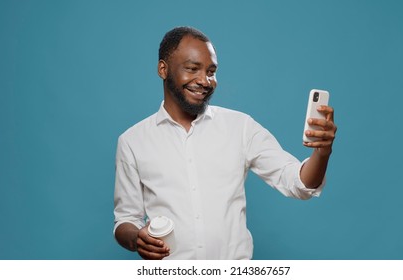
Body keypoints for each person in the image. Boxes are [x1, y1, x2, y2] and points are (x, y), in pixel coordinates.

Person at [113, 26, 337, 260]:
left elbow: (298, 184)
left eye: (211, 71)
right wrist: (138, 237)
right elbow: (125, 220)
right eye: (192, 69)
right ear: (163, 69)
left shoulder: (240, 127)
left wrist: (322, 152)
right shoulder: (133, 141)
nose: (205, 80)